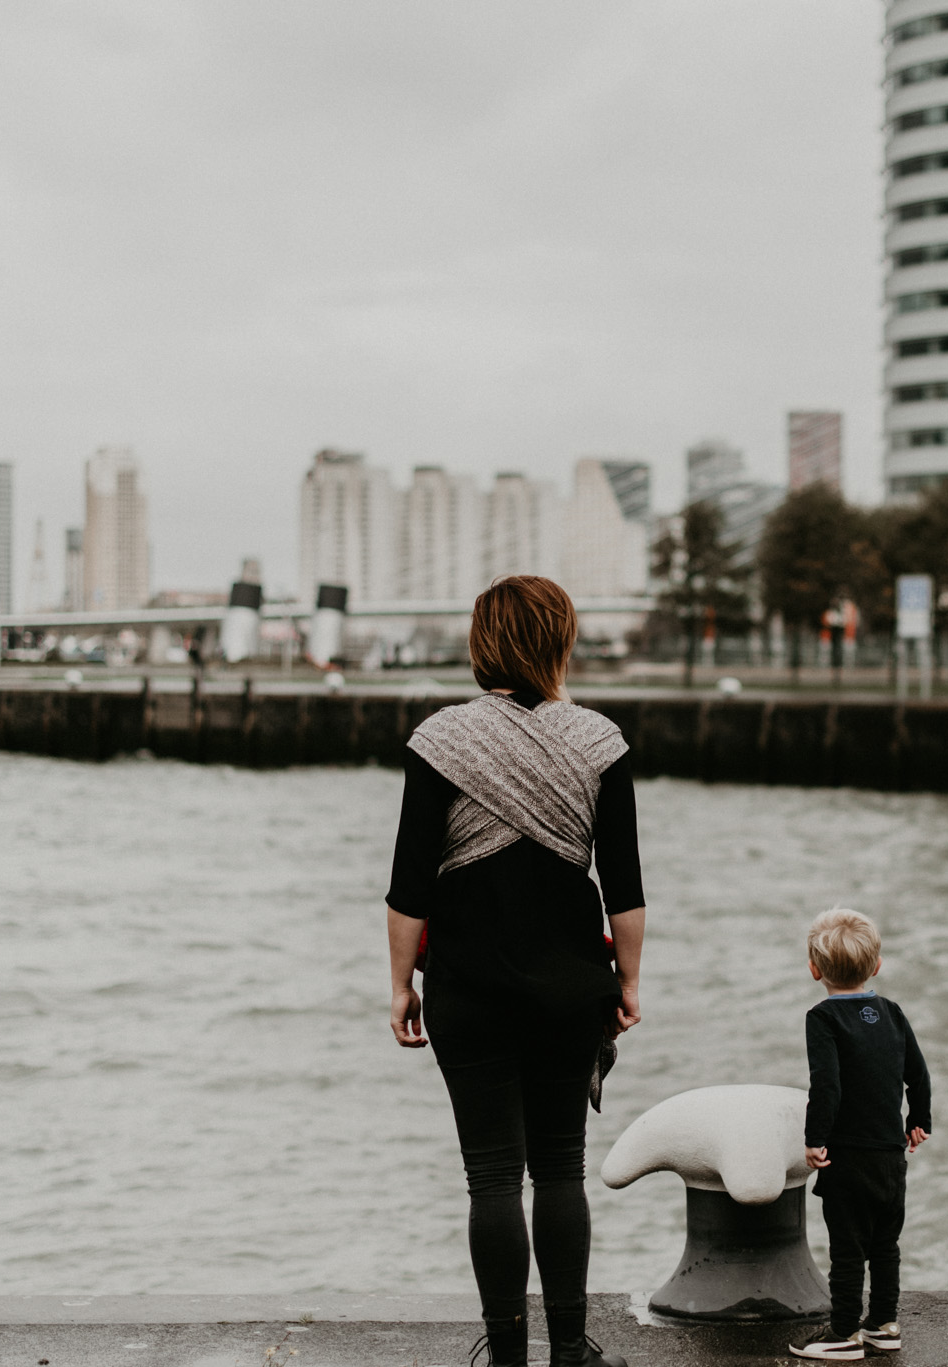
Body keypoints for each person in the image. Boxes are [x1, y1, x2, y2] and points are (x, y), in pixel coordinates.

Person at [386, 576, 645, 1367]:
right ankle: (570, 1349)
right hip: (571, 988)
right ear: (560, 641)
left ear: (483, 643)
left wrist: (401, 985)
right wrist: (628, 980)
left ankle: (505, 1356)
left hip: (468, 986)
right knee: (560, 1167)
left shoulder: (441, 740)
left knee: (493, 1177)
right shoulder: (600, 742)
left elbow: (408, 887)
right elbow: (625, 888)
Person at [790, 908, 931, 1362]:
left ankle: (845, 1332)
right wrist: (918, 1120)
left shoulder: (822, 1018)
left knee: (847, 1249)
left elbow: (826, 1084)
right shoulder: (891, 1012)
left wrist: (815, 1139)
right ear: (876, 966)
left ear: (815, 970)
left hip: (848, 1157)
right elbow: (918, 1074)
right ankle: (884, 1324)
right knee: (885, 1244)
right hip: (891, 1156)